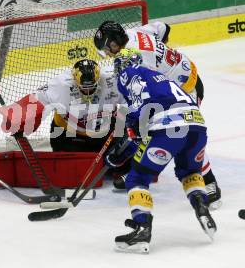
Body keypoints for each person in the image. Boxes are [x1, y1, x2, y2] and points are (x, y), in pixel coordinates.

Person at [94, 20, 221, 209]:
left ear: (114, 43)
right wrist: (163, 53)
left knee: (181, 132)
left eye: (107, 49)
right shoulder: (134, 32)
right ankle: (143, 168)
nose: (108, 54)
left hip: (185, 91)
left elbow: (143, 93)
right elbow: (164, 27)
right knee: (157, 131)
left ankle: (210, 184)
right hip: (185, 77)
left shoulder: (137, 59)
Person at [111, 48, 216, 254]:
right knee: (191, 173)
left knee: (137, 178)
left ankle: (142, 229)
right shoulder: (160, 76)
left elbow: (141, 102)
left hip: (169, 126)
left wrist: (132, 125)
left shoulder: (128, 73)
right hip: (197, 126)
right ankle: (202, 209)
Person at [0, 58, 124, 158]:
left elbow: (133, 100)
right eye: (83, 87)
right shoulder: (60, 85)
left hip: (107, 134)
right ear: (75, 81)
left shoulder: (112, 80)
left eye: (92, 87)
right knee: (74, 172)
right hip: (70, 137)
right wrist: (17, 116)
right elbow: (37, 99)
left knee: (122, 162)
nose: (88, 91)